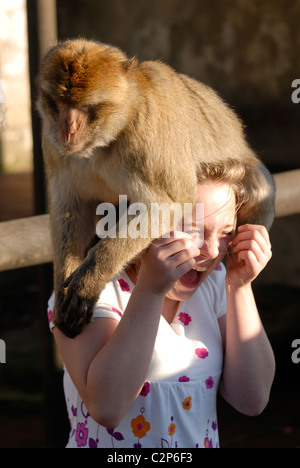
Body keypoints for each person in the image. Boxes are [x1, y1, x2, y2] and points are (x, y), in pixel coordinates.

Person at [47, 161, 275, 448]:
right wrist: (151, 290)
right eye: (192, 230)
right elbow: (107, 407)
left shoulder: (216, 283)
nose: (211, 251)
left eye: (225, 233)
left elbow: (252, 399)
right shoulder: (91, 290)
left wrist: (240, 285)